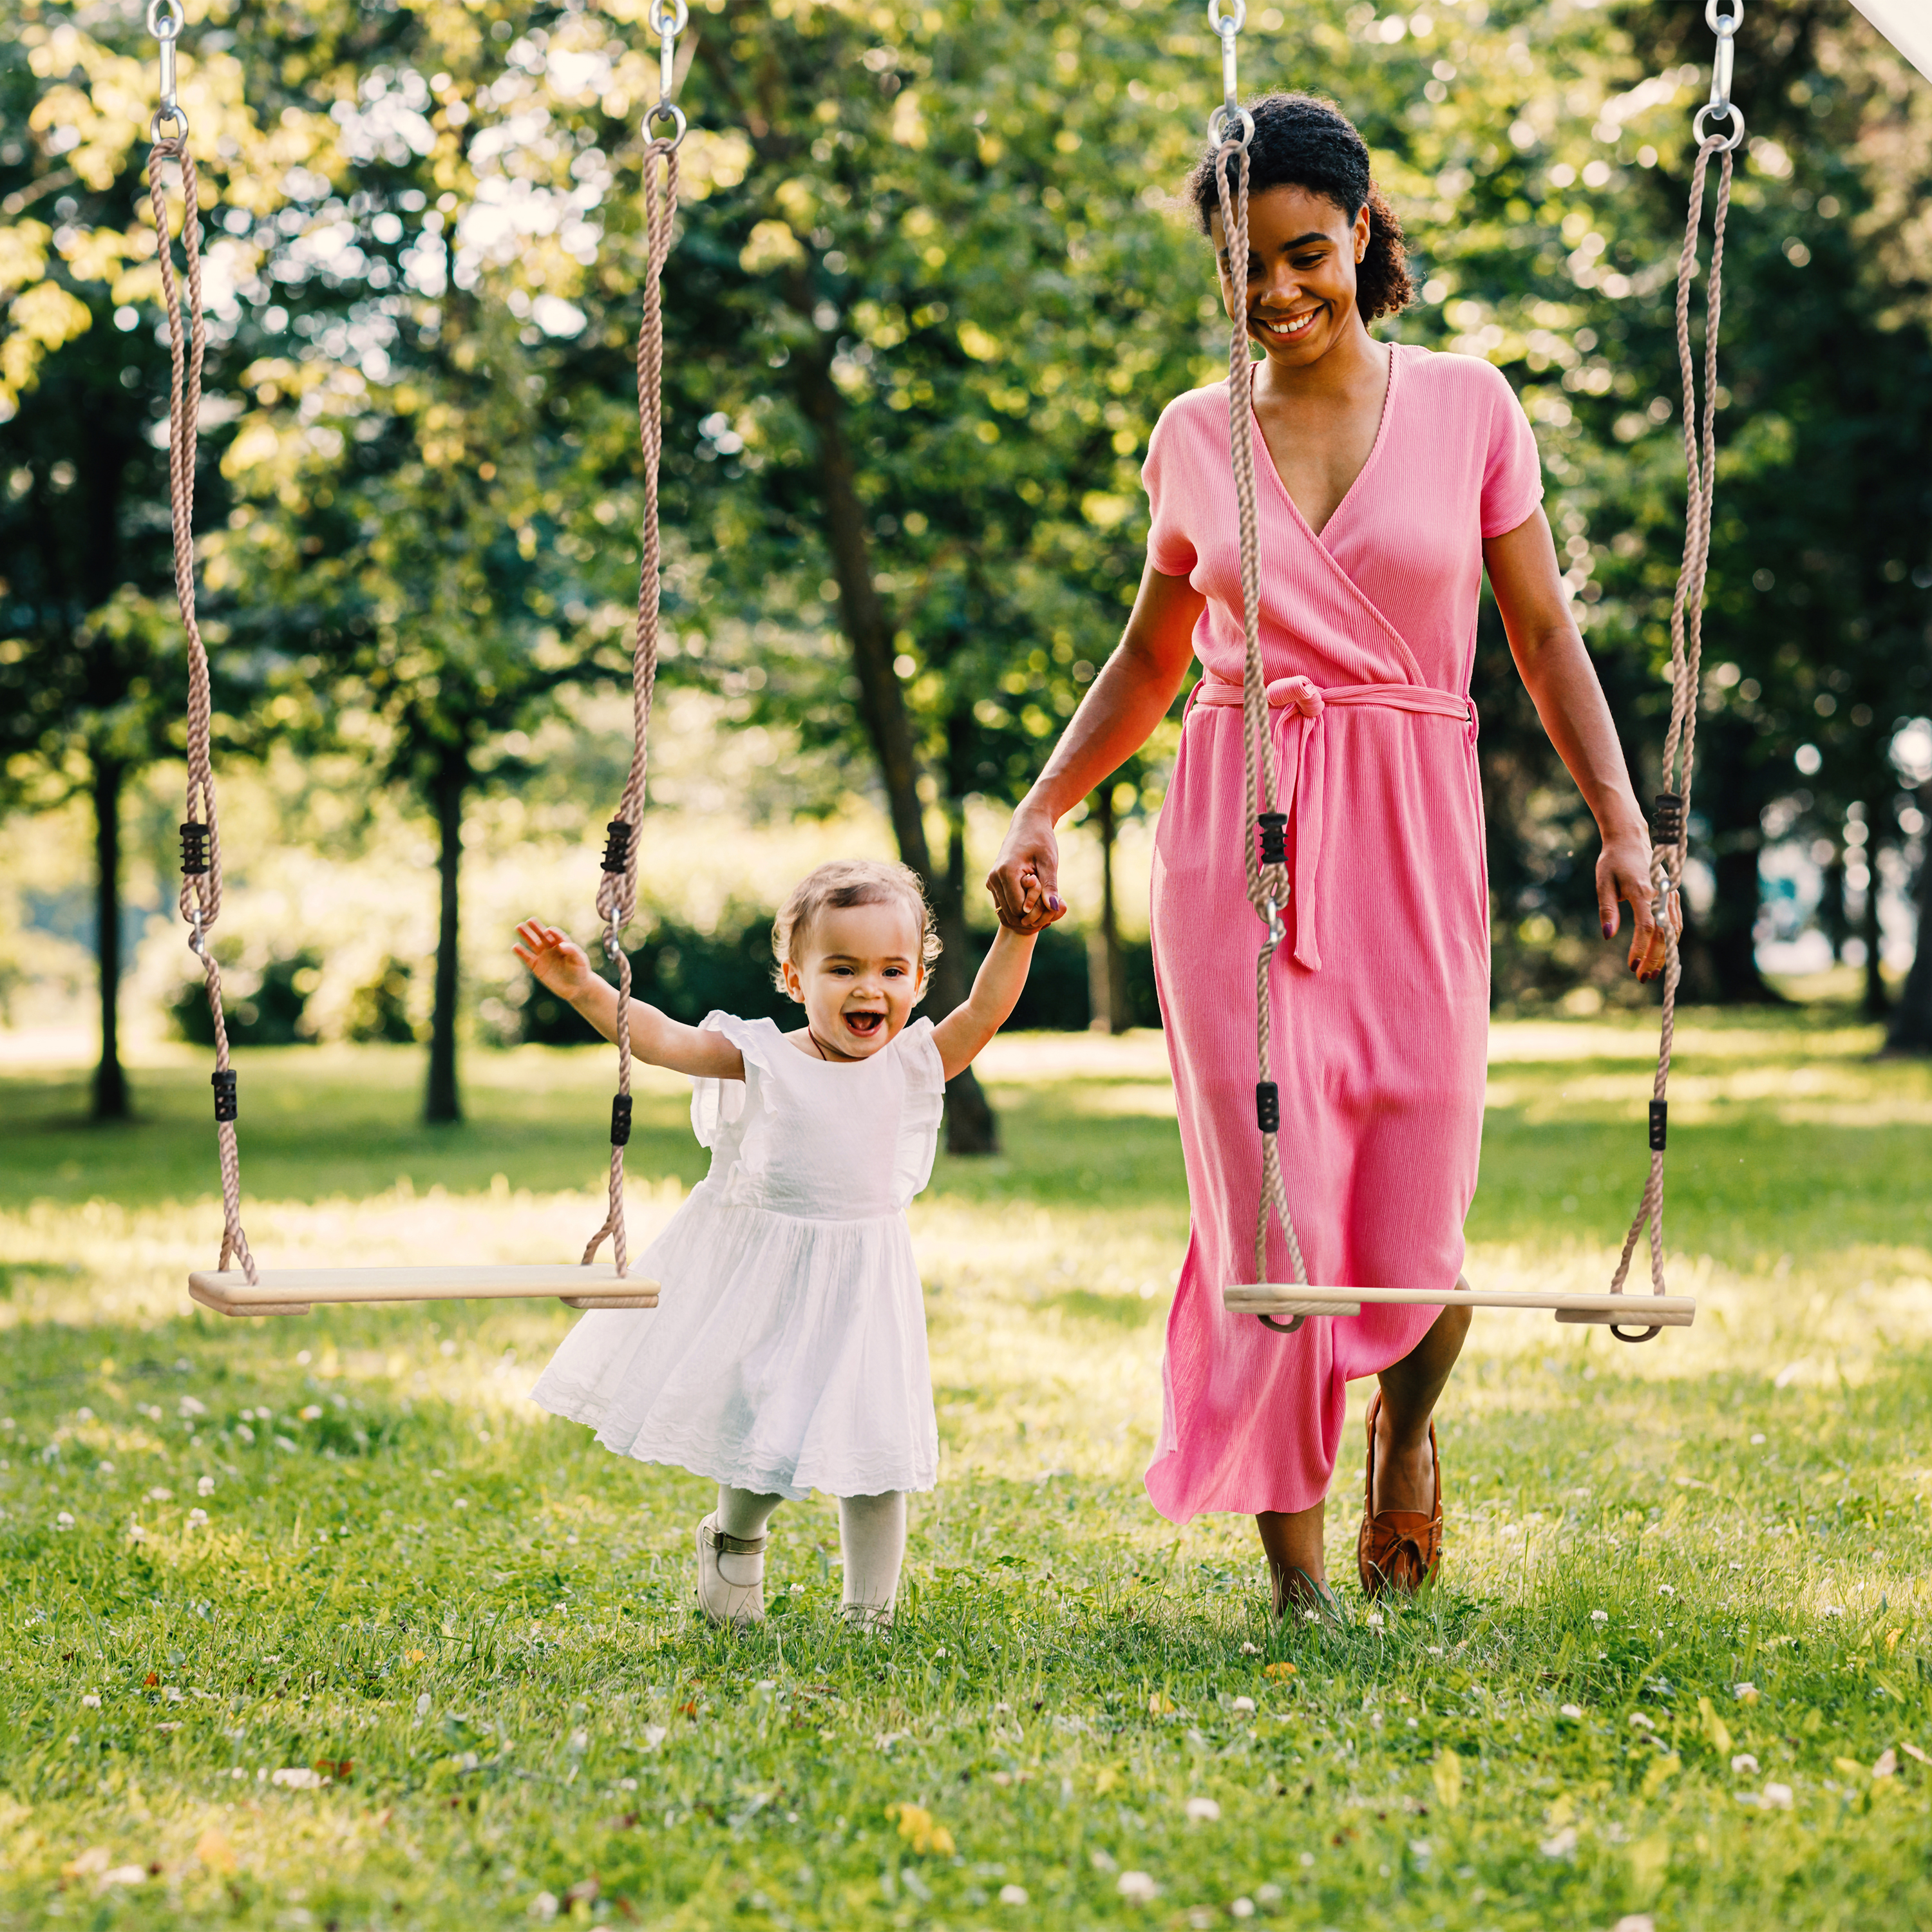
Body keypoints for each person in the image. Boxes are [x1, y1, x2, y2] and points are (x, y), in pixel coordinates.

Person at [987, 93, 1671, 1618]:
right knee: (1268, 1209)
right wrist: (1040, 802)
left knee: (1417, 1221)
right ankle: (1294, 1583)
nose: (1278, 291)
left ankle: (1406, 1431)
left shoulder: (1471, 406)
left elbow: (1542, 637)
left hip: (1414, 822)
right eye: (1244, 268)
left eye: (1305, 254)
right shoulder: (1191, 435)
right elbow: (1148, 656)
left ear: (1362, 233)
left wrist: (1624, 824)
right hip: (1236, 828)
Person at [514, 859, 1037, 1629]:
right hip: (774, 1284)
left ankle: (871, 1615)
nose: (870, 989)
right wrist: (586, 989)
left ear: (919, 981)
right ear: (795, 979)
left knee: (876, 1450)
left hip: (866, 1287)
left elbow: (985, 1012)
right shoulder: (762, 1057)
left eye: (893, 970)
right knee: (765, 1440)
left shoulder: (912, 1065)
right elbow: (663, 1042)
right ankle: (734, 1539)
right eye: (843, 968)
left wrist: (1017, 934)